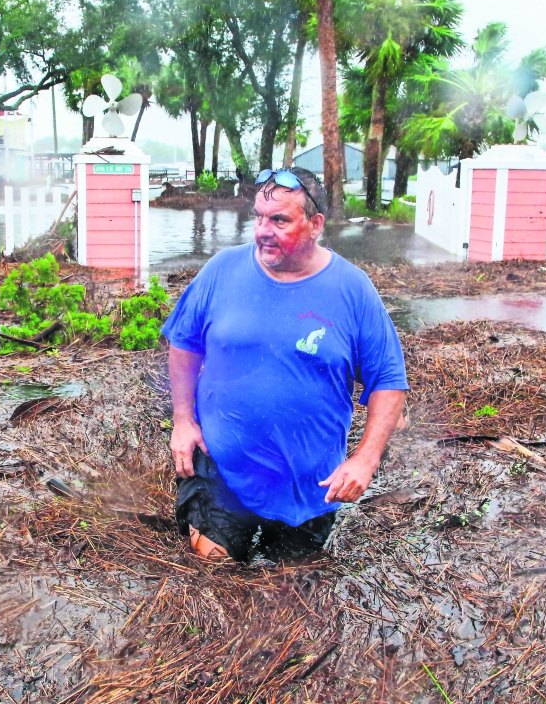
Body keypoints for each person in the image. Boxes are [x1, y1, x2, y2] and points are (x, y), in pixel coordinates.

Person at [161, 167, 408, 562]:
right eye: (258, 217)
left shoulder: (352, 289)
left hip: (310, 485)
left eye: (279, 220)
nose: (262, 230)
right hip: (225, 469)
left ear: (315, 224)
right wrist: (182, 419)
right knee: (212, 563)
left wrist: (365, 458)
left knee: (290, 587)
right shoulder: (221, 271)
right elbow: (184, 343)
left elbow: (389, 380)